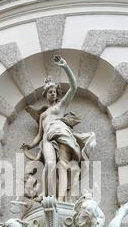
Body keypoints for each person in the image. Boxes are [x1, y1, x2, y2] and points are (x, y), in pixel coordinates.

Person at [22, 55, 95, 201]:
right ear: (45, 95)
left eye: (54, 91)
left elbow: (73, 87)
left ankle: (58, 198)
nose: (53, 93)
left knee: (62, 166)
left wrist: (66, 67)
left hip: (62, 136)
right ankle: (48, 195)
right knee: (49, 163)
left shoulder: (61, 106)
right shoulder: (43, 116)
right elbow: (39, 134)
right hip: (47, 140)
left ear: (57, 94)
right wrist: (29, 145)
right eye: (50, 91)